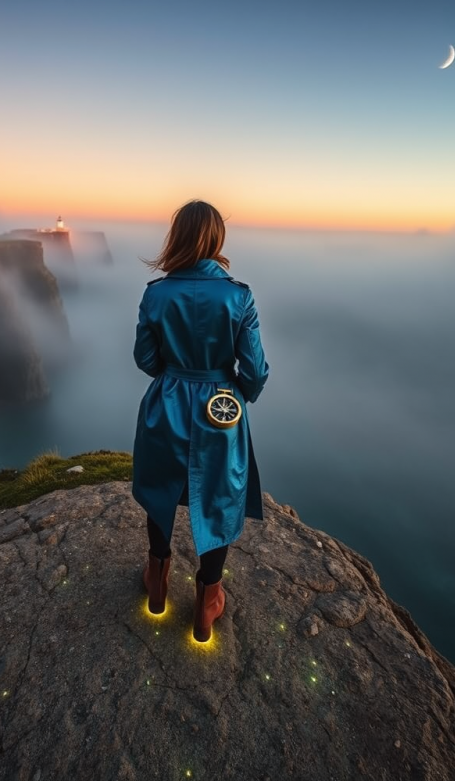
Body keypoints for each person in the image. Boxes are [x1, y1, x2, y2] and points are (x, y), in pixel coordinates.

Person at [132, 200, 270, 642]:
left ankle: (157, 581)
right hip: (221, 408)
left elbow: (145, 358)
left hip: (167, 399)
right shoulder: (238, 295)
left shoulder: (155, 294)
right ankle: (207, 604)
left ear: (177, 237)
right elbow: (254, 372)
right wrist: (236, 394)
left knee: (160, 491)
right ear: (216, 239)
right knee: (219, 497)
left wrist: (175, 377)